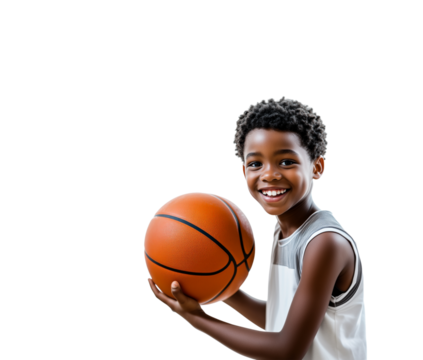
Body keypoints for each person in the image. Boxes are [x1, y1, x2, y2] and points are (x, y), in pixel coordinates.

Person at [147, 95, 367, 359]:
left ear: (317, 167)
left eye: (286, 161)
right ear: (244, 172)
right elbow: (280, 320)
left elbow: (287, 349)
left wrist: (197, 318)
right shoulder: (284, 229)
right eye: (255, 163)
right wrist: (219, 284)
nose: (269, 174)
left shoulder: (324, 243)